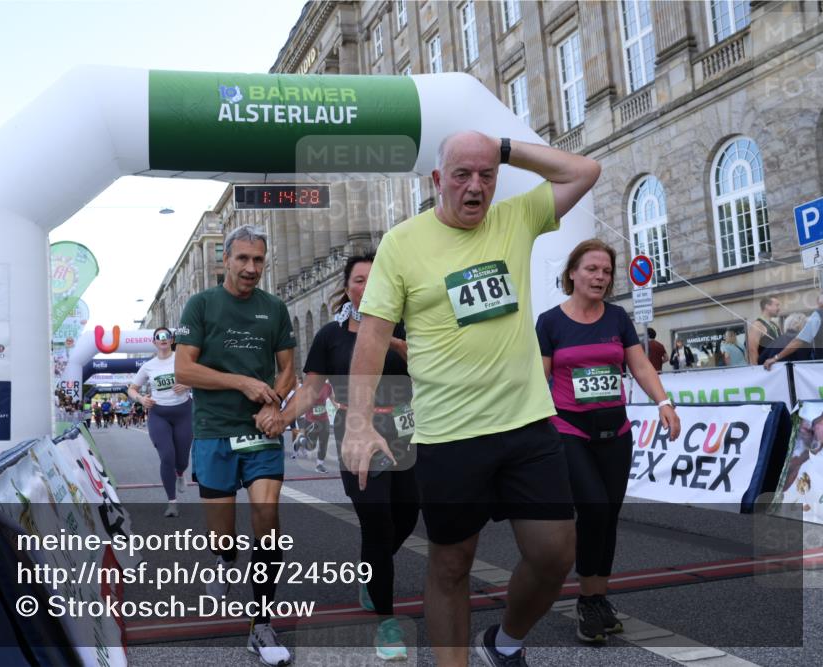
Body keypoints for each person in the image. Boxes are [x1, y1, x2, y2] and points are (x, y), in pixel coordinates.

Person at [342, 131, 601, 666]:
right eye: (462, 175)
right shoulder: (403, 243)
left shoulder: (516, 218)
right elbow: (372, 336)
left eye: (487, 175)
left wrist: (501, 147)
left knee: (555, 554)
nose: (476, 187)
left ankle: (503, 644)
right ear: (438, 180)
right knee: (452, 563)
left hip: (526, 424)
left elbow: (584, 171)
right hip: (449, 436)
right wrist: (359, 423)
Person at [535, 239, 680, 644]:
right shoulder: (550, 322)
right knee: (594, 507)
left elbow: (639, 365)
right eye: (591, 269)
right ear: (572, 273)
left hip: (615, 431)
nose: (600, 277)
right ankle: (586, 601)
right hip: (570, 430)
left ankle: (598, 598)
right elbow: (539, 377)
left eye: (605, 271)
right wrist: (537, 423)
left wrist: (664, 403)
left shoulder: (617, 318)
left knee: (608, 514)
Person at [275, 252, 417, 661]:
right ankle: (387, 622)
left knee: (408, 516)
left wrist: (392, 341)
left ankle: (372, 569)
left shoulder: (403, 325)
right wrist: (282, 418)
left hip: (406, 435)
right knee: (378, 524)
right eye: (359, 280)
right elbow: (310, 389)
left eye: (375, 279)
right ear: (347, 286)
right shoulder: (330, 336)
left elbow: (427, 368)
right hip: (356, 437)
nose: (367, 286)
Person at [175, 225, 296, 667]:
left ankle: (261, 624)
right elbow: (184, 370)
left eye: (258, 259)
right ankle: (225, 560)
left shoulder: (274, 308)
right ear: (225, 260)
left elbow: (288, 368)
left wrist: (274, 402)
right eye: (242, 258)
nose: (250, 268)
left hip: (260, 433)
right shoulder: (201, 305)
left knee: (267, 515)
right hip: (214, 432)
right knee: (222, 536)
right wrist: (242, 382)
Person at [128, 327, 193, 518]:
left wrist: (188, 384)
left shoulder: (182, 359)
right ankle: (172, 502)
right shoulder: (148, 366)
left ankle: (180, 473)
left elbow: (202, 377)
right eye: (159, 337)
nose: (163, 339)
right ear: (154, 342)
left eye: (166, 336)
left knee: (182, 459)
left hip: (183, 413)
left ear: (171, 340)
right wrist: (141, 399)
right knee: (167, 456)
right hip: (159, 415)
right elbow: (132, 389)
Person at [764, 293, 823, 370]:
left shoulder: (818, 315)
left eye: (818, 305)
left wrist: (776, 357)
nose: (817, 307)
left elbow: (799, 341)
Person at [297, 379, 333, 473]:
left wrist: (340, 409)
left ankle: (319, 465)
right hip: (311, 420)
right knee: (311, 446)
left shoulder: (327, 386)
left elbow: (333, 399)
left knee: (324, 442)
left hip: (324, 420)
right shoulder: (309, 386)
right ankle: (301, 441)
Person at [746, 295, 781, 364]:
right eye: (777, 305)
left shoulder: (774, 325)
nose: (779, 308)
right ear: (767, 306)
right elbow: (752, 350)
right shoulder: (757, 325)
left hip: (777, 367)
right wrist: (757, 369)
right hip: (764, 368)